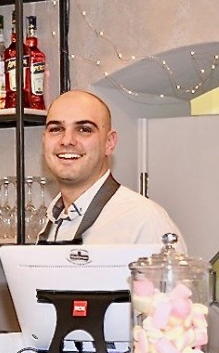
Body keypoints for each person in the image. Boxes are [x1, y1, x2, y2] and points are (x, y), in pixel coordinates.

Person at [37, 89, 185, 248]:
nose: (67, 140)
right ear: (44, 140)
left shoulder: (145, 222)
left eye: (84, 129)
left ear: (109, 143)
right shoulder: (52, 222)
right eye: (56, 129)